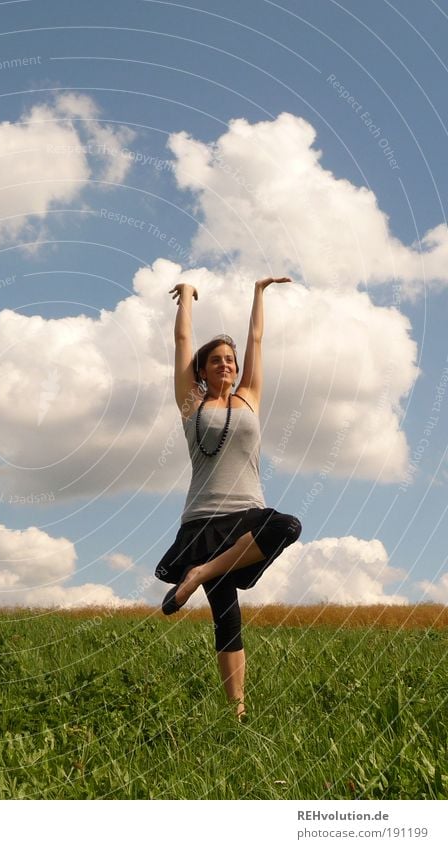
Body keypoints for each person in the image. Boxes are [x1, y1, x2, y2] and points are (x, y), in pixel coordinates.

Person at [155, 276, 302, 720]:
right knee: (227, 616)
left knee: (287, 526)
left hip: (246, 516)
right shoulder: (190, 405)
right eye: (216, 360)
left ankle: (200, 572)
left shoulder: (250, 398)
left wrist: (259, 293)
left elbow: (257, 337)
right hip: (201, 520)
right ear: (201, 370)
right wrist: (185, 298)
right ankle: (237, 712)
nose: (226, 366)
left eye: (231, 361)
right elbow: (182, 339)